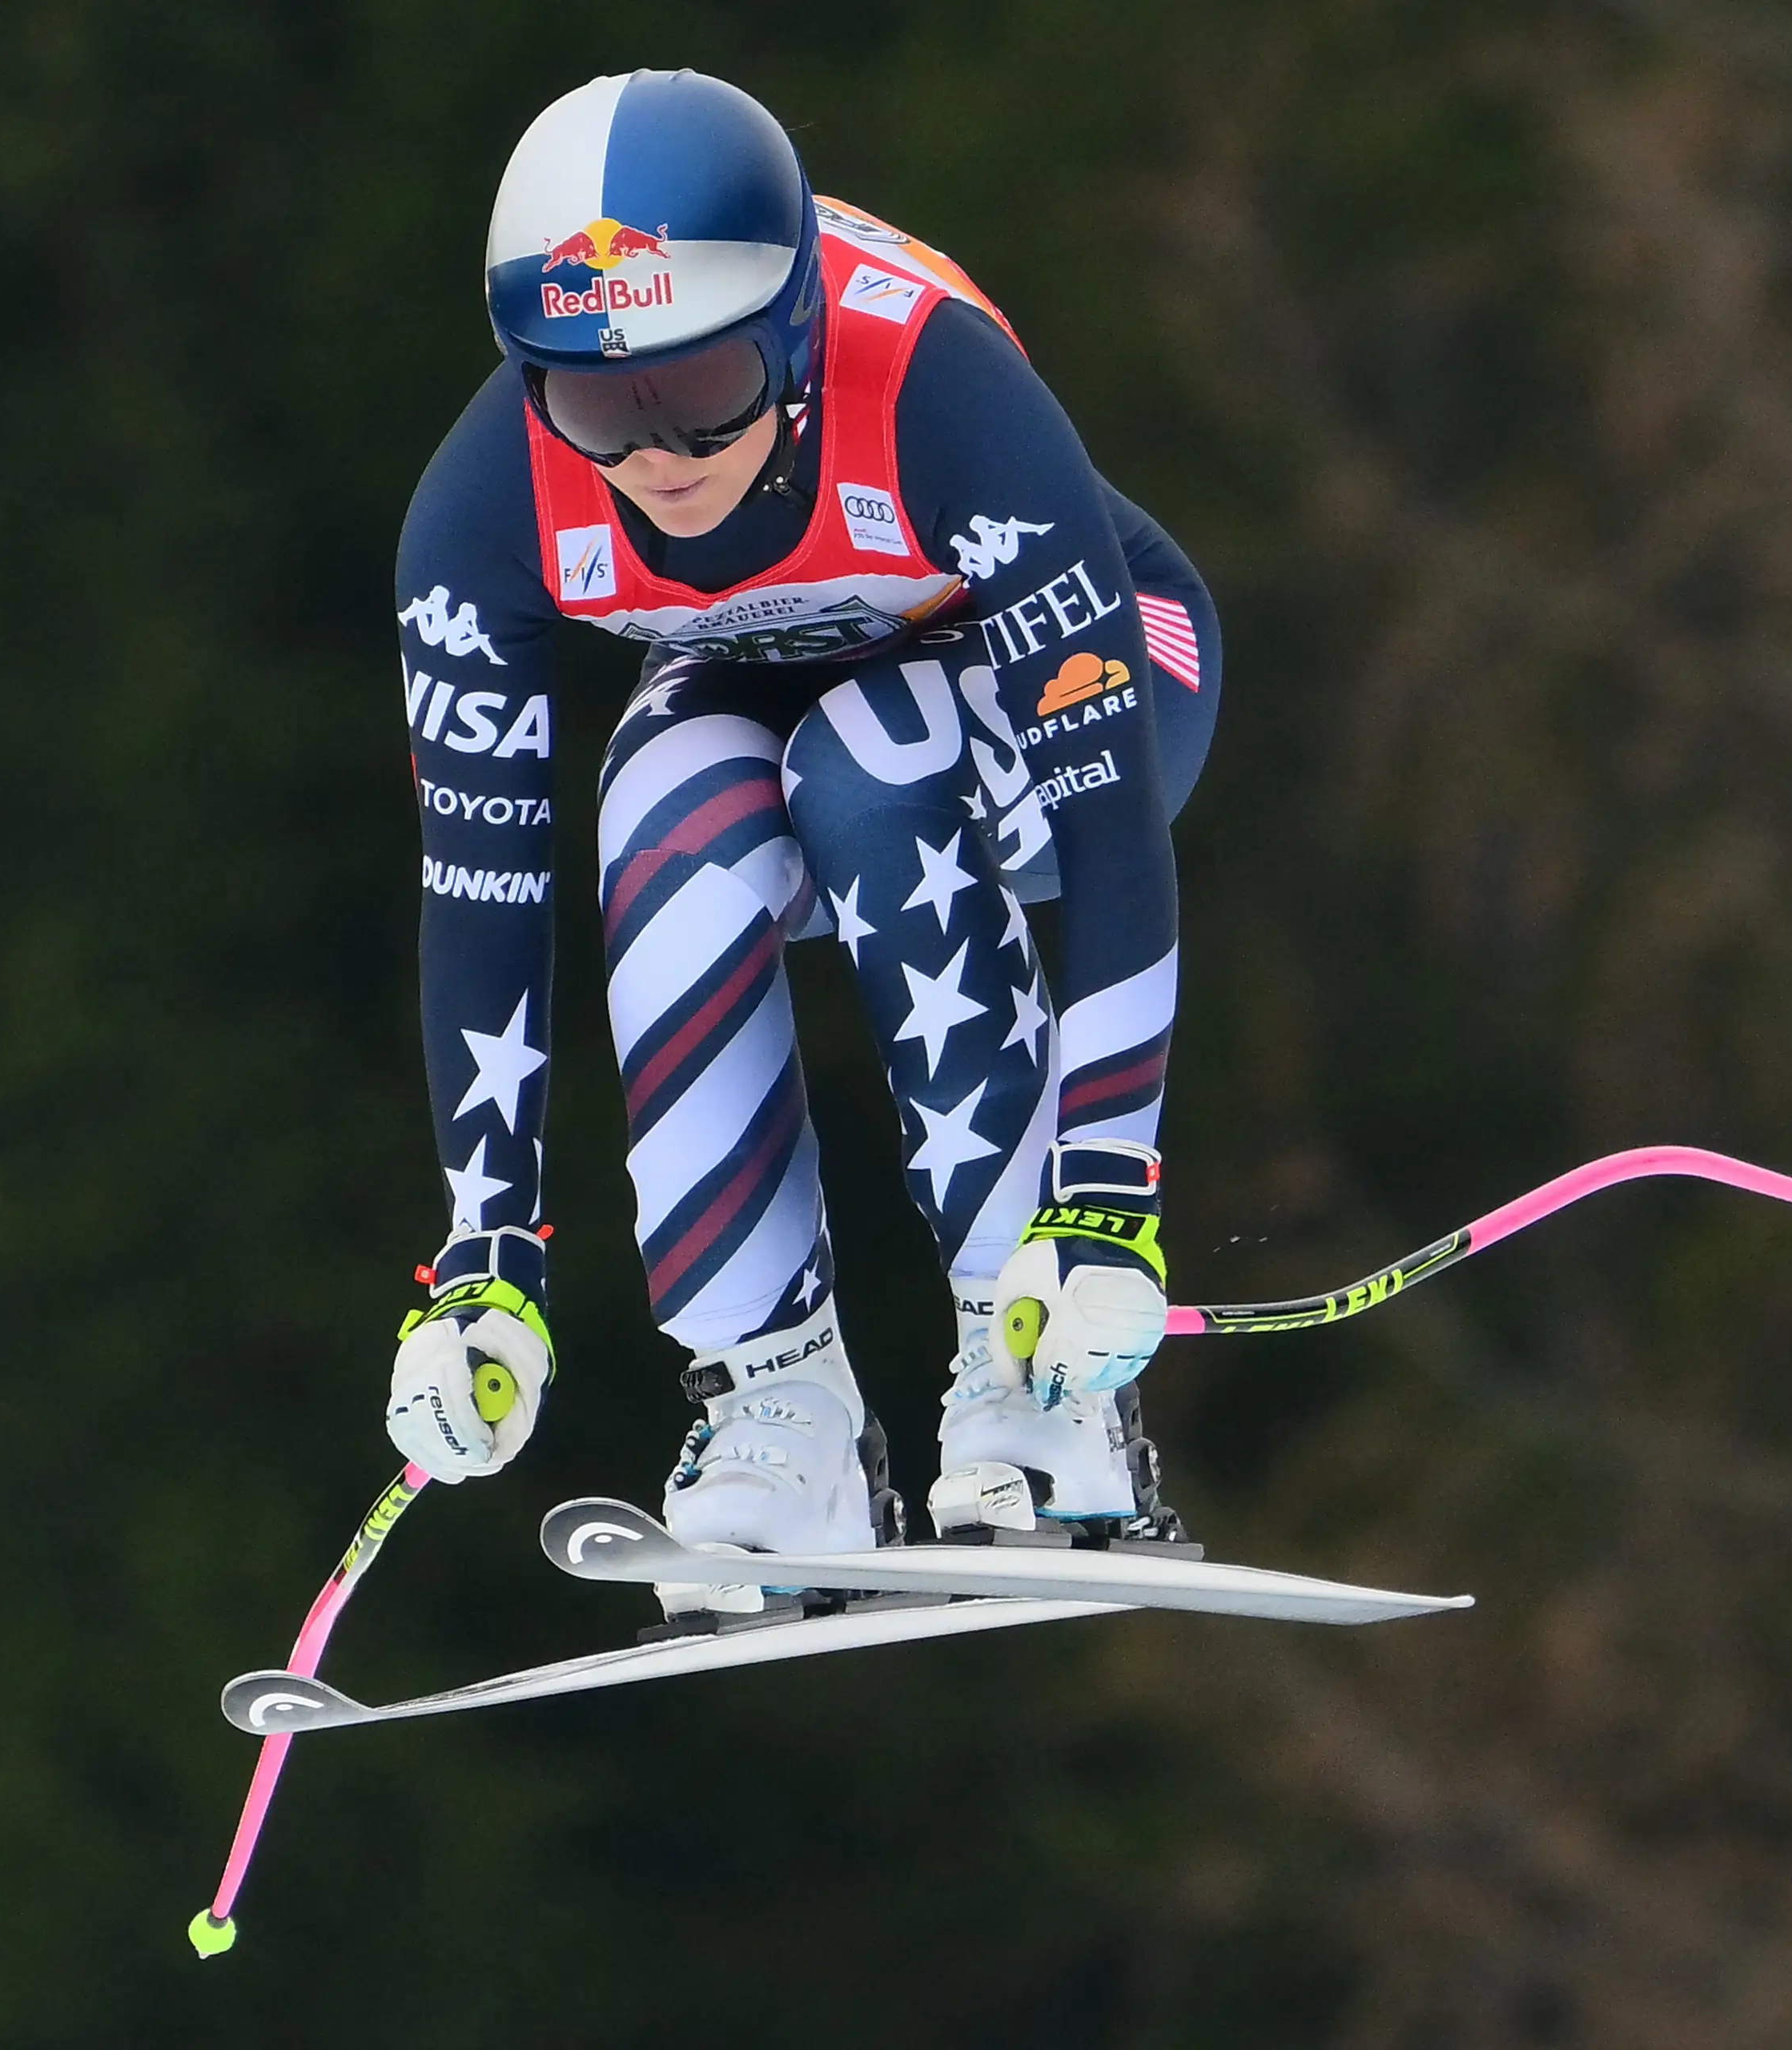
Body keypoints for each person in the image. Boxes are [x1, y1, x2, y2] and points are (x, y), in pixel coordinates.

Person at [380, 69, 1219, 1608]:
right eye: (595, 402)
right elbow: (482, 889)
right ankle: (776, 1404)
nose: (655, 455)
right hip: (765, 682)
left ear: (793, 327)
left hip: (1083, 676)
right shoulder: (483, 510)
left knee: (872, 767)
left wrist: (1107, 1195)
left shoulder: (935, 386)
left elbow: (1107, 829)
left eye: (702, 389)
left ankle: (1034, 1372)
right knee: (664, 801)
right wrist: (486, 1262)